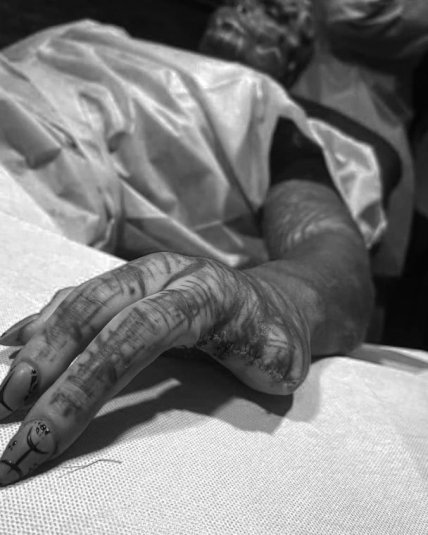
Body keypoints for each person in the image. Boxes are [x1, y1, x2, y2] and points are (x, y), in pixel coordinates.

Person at [0, 3, 387, 486]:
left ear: (293, 55)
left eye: (272, 11)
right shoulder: (94, 39)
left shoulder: (267, 116)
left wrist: (269, 299)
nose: (242, 8)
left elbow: (334, 254)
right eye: (235, 1)